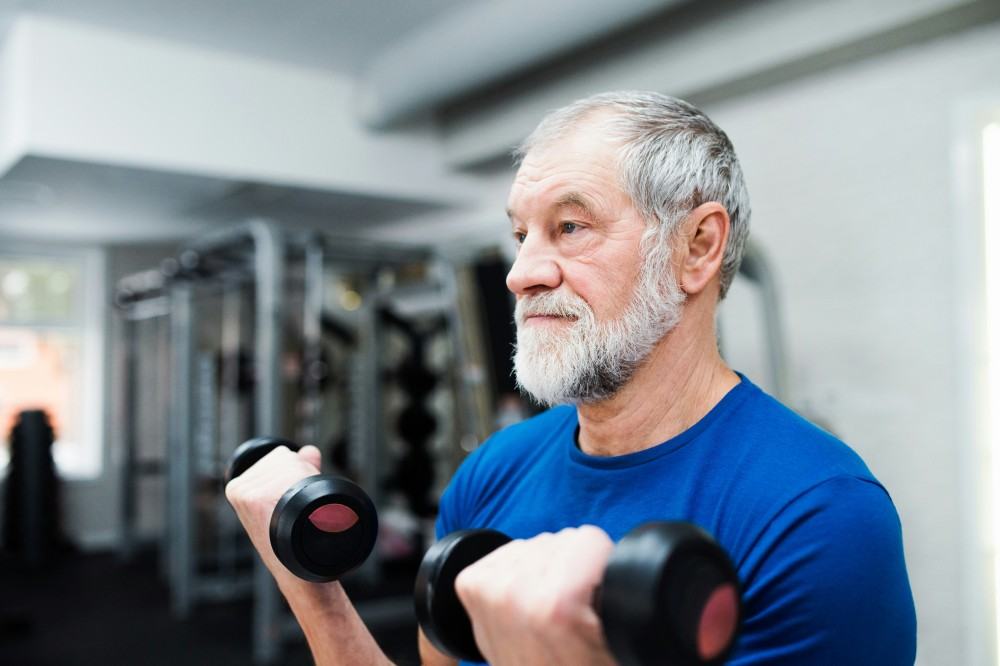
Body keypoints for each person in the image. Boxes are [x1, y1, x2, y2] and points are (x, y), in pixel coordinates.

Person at [226, 91, 917, 665]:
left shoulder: (821, 517)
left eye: (571, 226)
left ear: (696, 247)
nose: (521, 273)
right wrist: (311, 588)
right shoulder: (492, 470)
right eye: (522, 236)